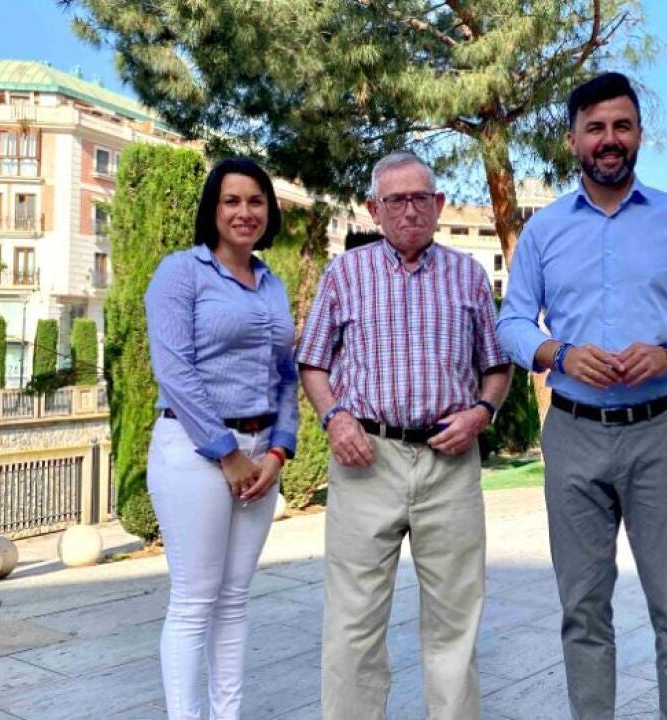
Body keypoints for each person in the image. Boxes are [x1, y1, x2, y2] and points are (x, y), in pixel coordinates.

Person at [497, 72, 667, 719]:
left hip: (660, 434)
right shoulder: (544, 230)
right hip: (573, 434)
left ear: (639, 135)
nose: (609, 139)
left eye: (621, 126)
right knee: (583, 611)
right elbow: (512, 322)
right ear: (573, 140)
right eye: (595, 127)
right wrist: (559, 353)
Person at [297, 150, 512, 720]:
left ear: (438, 204)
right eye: (396, 200)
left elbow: (497, 366)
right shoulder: (345, 273)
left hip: (449, 463)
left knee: (455, 622)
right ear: (374, 209)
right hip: (366, 459)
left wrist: (481, 414)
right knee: (353, 622)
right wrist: (335, 418)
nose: (410, 210)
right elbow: (312, 362)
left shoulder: (468, 275)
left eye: (421, 198)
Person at [144, 157, 299, 720]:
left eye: (256, 201)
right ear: (213, 208)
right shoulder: (181, 272)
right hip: (194, 452)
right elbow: (174, 371)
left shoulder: (272, 284)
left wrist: (279, 449)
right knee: (194, 601)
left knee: (233, 601)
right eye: (231, 200)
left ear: (269, 211)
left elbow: (286, 374)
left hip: (260, 455)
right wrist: (227, 453)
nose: (244, 212)